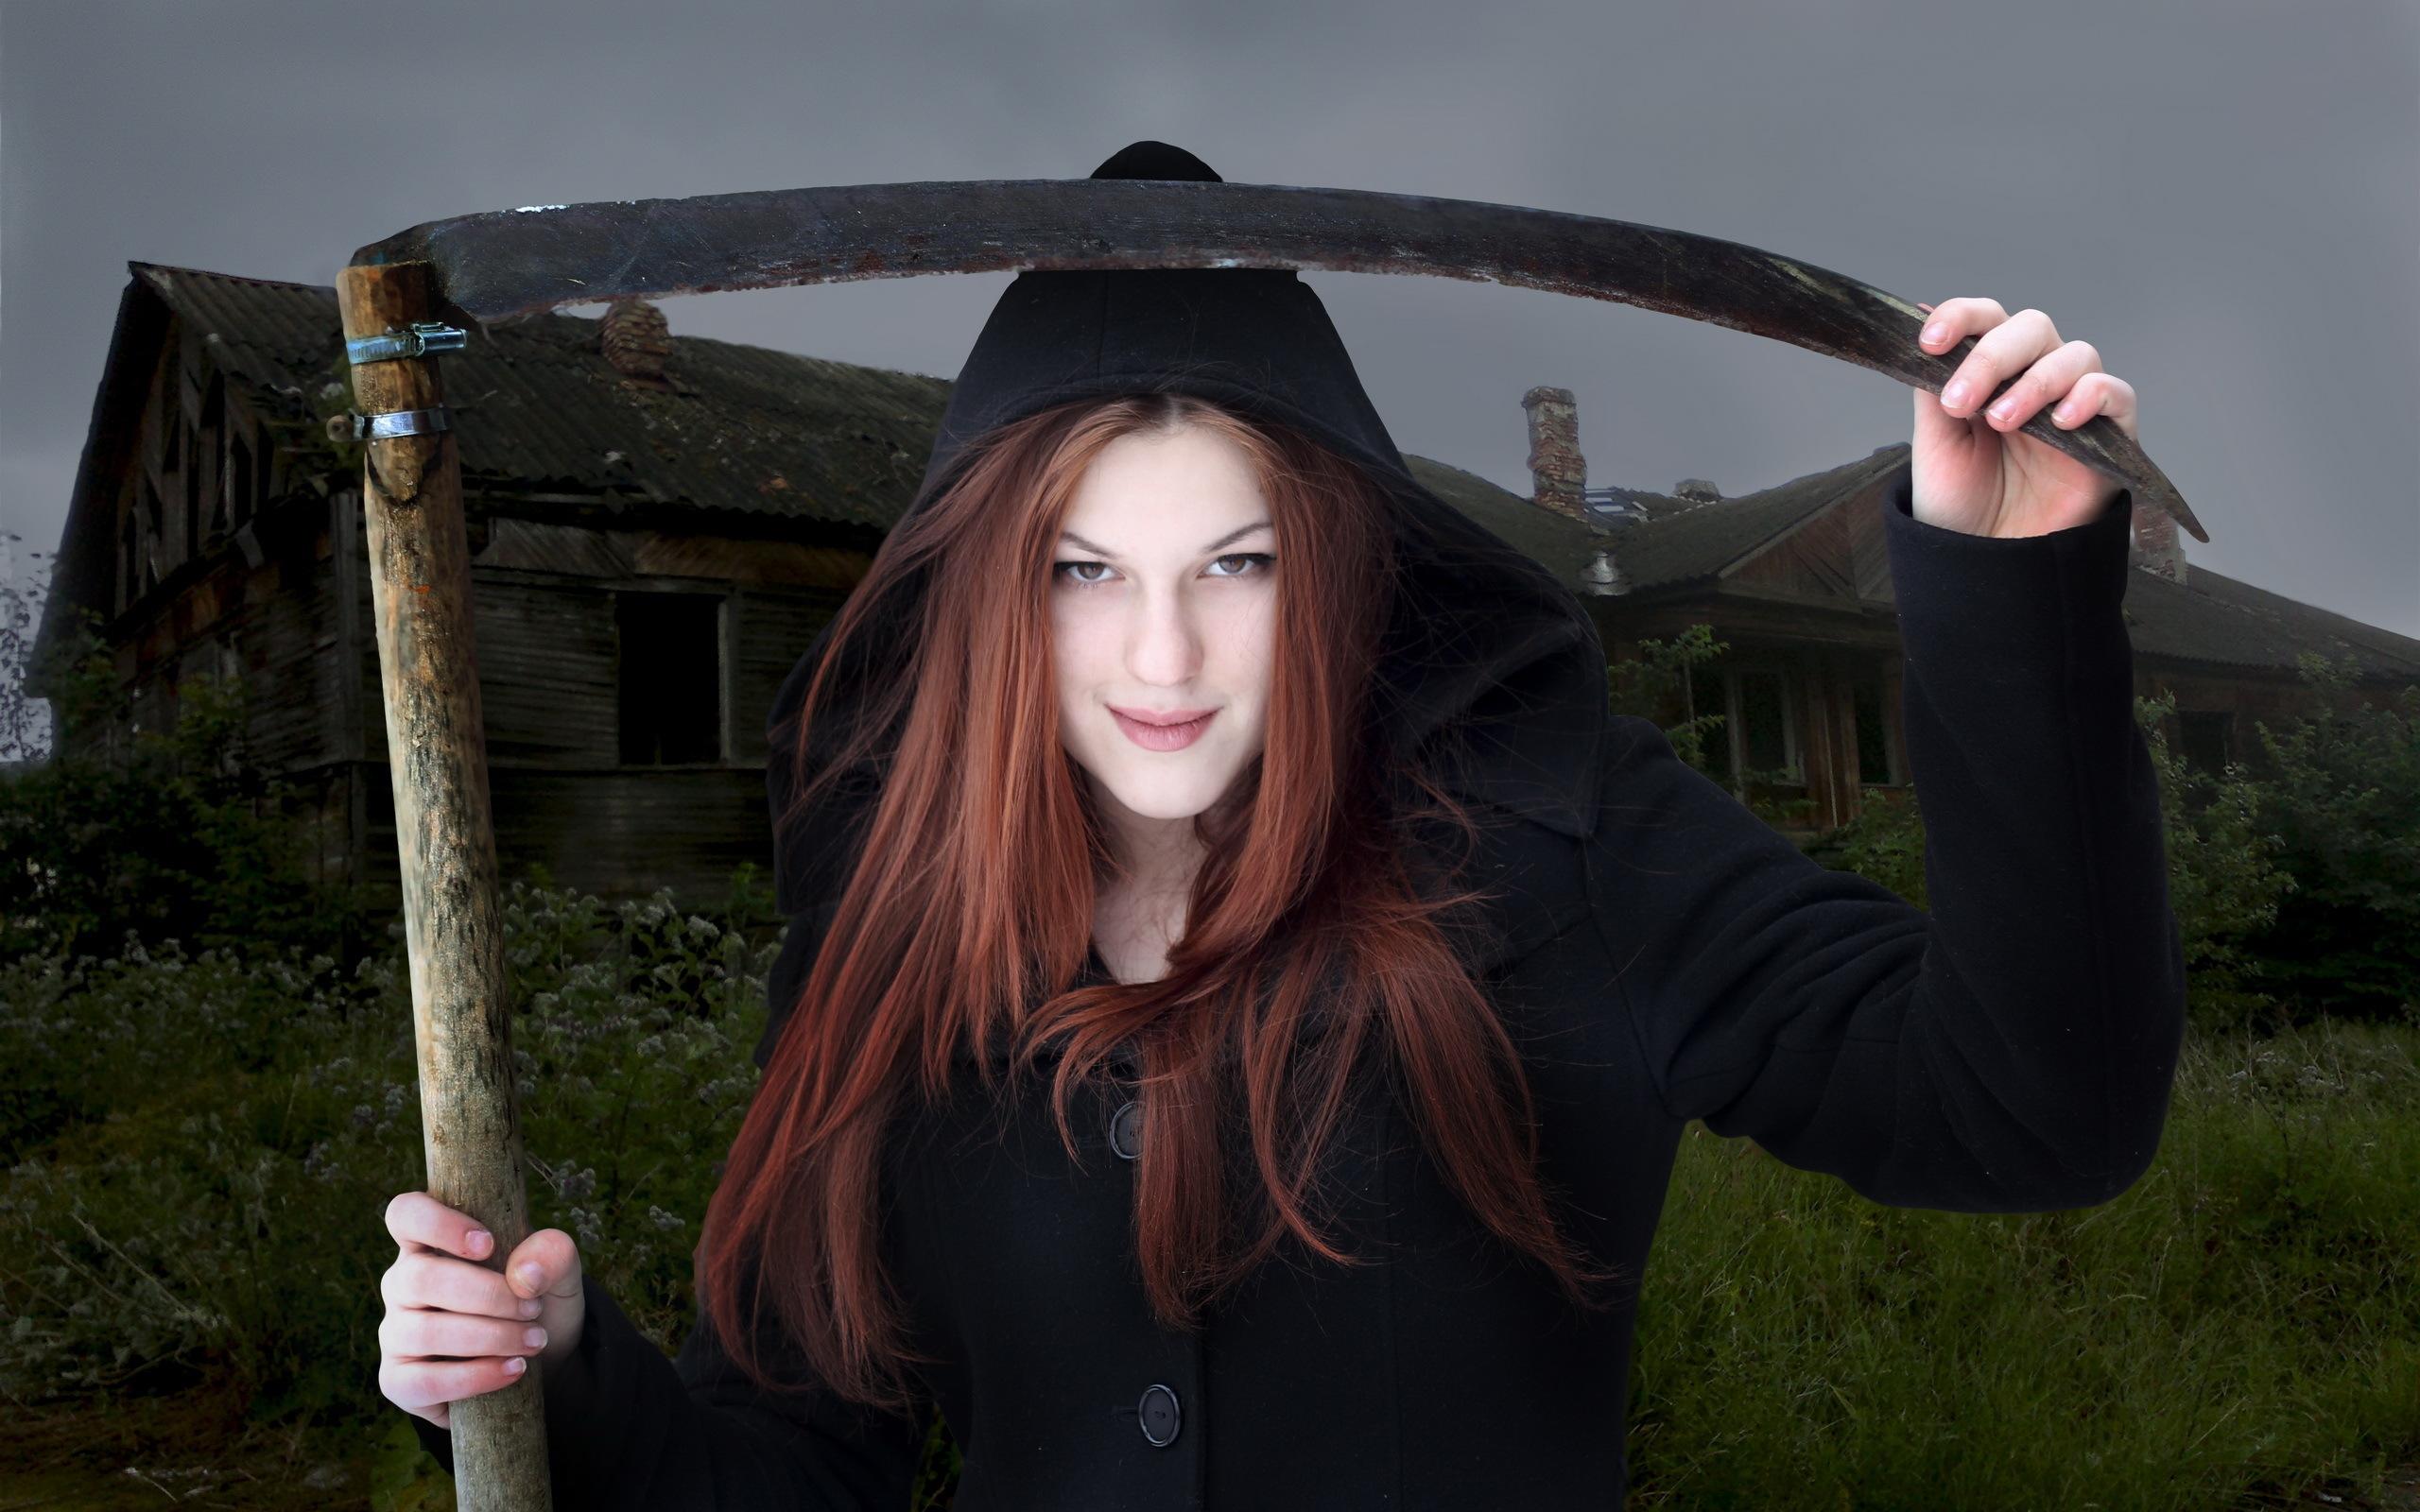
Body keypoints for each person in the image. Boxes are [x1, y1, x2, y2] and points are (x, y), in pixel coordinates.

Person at [377, 139, 2186, 1508]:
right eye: (1085, 571)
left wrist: (2013, 590)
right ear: (992, 594)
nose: (1162, 656)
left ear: (1334, 568)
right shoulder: (896, 936)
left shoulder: (1565, 837)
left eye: (1235, 564)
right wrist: (553, 1375)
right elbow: (791, 1467)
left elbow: (2033, 1114)